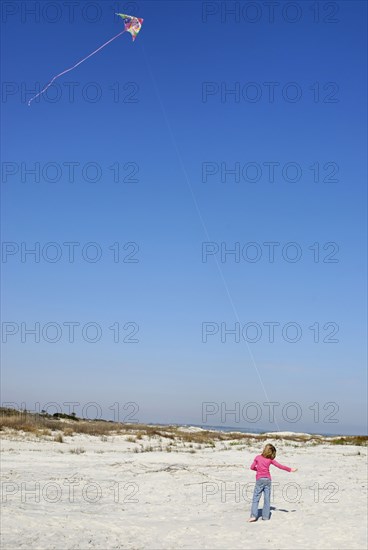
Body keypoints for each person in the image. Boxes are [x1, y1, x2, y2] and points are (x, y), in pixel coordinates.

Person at [248, 443, 297, 522]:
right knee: (267, 499)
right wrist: (290, 469)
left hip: (259, 480)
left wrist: (258, 470)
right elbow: (280, 466)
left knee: (256, 498)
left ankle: (253, 516)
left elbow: (252, 467)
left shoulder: (257, 457)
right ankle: (266, 517)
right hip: (268, 480)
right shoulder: (270, 460)